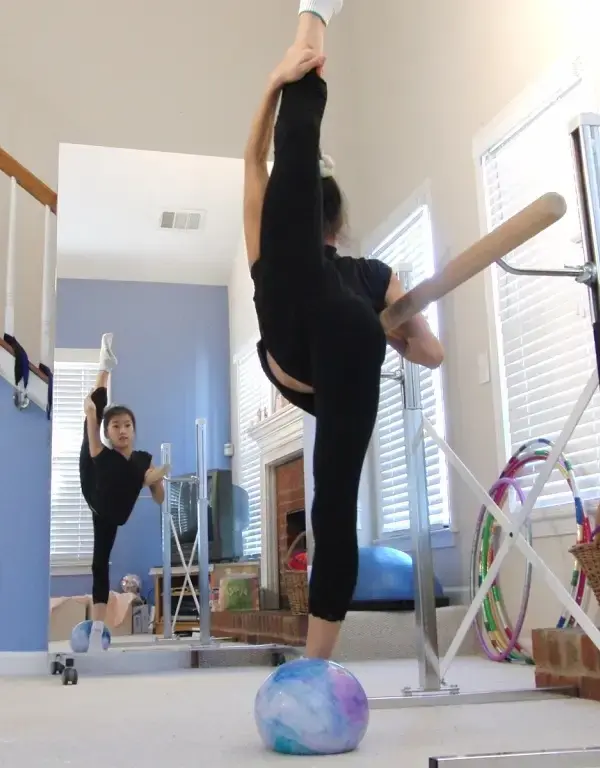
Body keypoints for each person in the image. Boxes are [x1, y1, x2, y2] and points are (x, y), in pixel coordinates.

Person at [243, 0, 445, 660]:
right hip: (353, 342)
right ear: (340, 225)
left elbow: (257, 166)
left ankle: (314, 14)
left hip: (294, 326)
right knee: (335, 507)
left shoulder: (277, 245)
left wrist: (274, 86)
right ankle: (315, 664)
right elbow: (432, 355)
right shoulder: (371, 273)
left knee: (294, 152)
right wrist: (400, 321)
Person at [79, 333, 169, 651]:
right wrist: (92, 416)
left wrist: (156, 482)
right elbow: (93, 442)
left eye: (126, 425)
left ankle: (98, 630)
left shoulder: (142, 458)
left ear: (133, 429)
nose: (121, 429)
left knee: (99, 562)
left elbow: (159, 500)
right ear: (110, 432)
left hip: (113, 508)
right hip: (95, 478)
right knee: (95, 407)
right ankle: (104, 367)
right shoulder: (105, 452)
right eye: (115, 426)